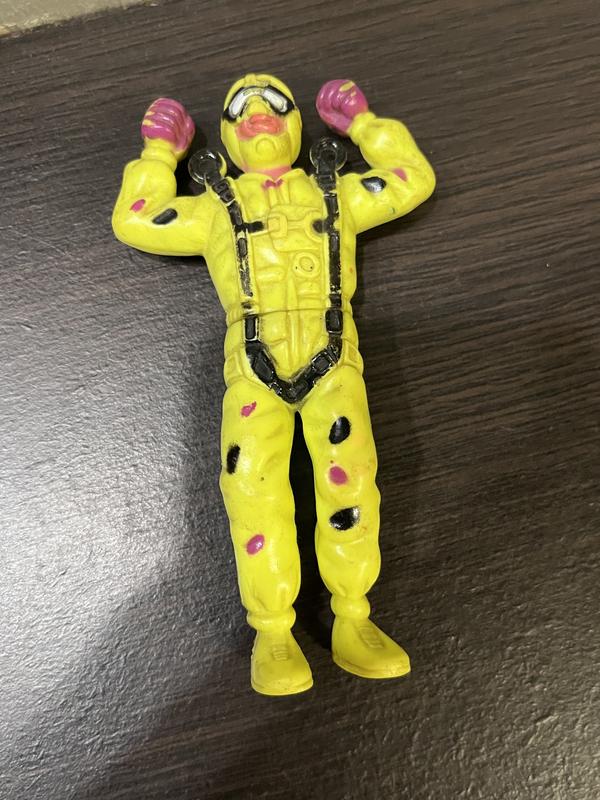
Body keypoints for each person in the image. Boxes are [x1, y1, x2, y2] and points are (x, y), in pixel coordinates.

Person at [112, 73, 435, 695]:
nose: (258, 114)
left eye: (275, 104)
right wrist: (157, 155)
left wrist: (366, 125)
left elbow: (410, 180)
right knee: (251, 487)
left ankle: (354, 615)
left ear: (296, 124)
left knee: (350, 476)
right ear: (226, 134)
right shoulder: (214, 209)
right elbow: (136, 218)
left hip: (333, 357)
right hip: (252, 366)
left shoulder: (333, 194)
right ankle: (272, 630)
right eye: (241, 110)